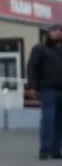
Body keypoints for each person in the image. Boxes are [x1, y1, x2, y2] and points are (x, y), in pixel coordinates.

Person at [27, 23, 62, 159]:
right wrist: (31, 86)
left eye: (60, 30)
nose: (58, 32)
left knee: (60, 121)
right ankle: (45, 149)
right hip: (48, 89)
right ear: (48, 33)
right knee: (48, 118)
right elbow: (32, 67)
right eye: (54, 30)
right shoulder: (40, 49)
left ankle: (56, 150)